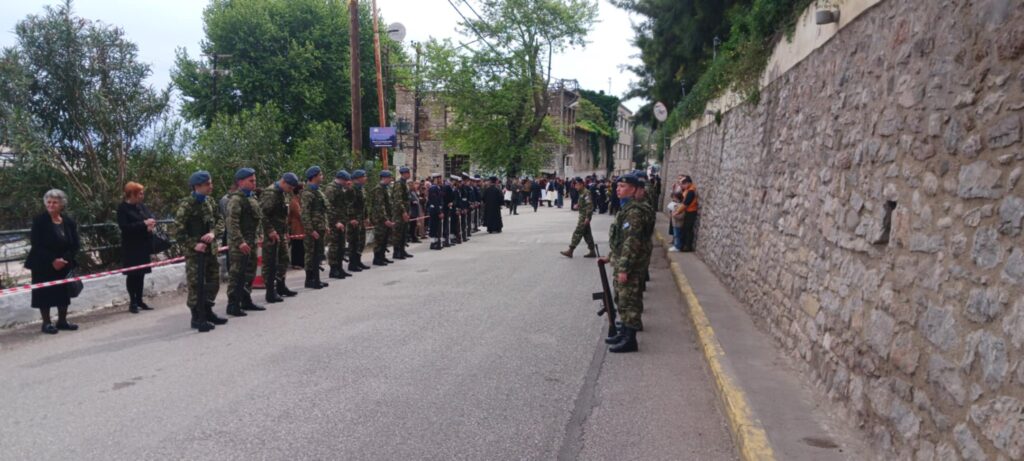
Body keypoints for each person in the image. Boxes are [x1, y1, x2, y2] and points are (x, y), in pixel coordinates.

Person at [174, 171, 228, 332]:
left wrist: (213, 233)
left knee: (213, 282)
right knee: (196, 285)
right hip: (195, 254)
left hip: (211, 250)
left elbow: (220, 220)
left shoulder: (210, 201)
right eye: (207, 184)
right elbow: (178, 231)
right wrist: (194, 244)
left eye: (211, 183)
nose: (211, 186)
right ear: (197, 186)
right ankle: (197, 317)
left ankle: (208, 311)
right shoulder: (187, 205)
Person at [600, 173, 648, 353]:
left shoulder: (634, 213)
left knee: (629, 302)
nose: (618, 189)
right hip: (622, 261)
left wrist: (624, 269)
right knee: (621, 300)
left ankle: (630, 340)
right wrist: (610, 256)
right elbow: (621, 240)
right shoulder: (625, 209)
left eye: (623, 186)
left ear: (634, 189)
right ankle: (624, 333)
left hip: (630, 266)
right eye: (618, 186)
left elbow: (631, 242)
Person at [25, 189, 82, 334]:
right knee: (44, 293)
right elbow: (36, 244)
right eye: (48, 202)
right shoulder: (39, 221)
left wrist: (64, 259)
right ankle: (46, 323)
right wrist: (53, 260)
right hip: (43, 263)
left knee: (63, 292)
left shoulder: (68, 222)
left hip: (64, 263)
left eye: (54, 202)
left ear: (61, 204)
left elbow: (75, 244)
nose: (51, 205)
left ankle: (62, 321)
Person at [225, 168, 265, 316]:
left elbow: (257, 220)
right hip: (240, 244)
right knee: (237, 274)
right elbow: (232, 223)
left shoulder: (252, 198)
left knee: (249, 272)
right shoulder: (236, 200)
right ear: (240, 182)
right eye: (251, 181)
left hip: (251, 241)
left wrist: (259, 234)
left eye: (255, 180)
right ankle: (233, 304)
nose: (254, 183)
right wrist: (240, 242)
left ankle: (246, 299)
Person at [117, 181, 156, 314]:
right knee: (132, 274)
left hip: (143, 245)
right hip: (131, 247)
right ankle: (132, 301)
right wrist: (143, 224)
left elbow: (150, 216)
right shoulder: (123, 208)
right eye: (140, 193)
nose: (142, 196)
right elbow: (124, 227)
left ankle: (140, 300)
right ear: (132, 194)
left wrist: (151, 223)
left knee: (141, 274)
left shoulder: (141, 206)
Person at [260, 172, 300, 303]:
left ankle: (281, 286)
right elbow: (263, 215)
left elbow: (283, 215)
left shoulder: (282, 192)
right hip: (271, 234)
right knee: (270, 262)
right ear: (283, 182)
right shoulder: (270, 193)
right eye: (289, 187)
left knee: (284, 259)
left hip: (281, 232)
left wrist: (286, 231)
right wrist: (270, 231)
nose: (290, 190)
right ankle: (270, 291)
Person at [301, 166, 329, 289]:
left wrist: (325, 225)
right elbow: (305, 214)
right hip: (312, 230)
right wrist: (310, 230)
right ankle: (310, 279)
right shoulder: (307, 193)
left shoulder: (318, 191)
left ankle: (316, 278)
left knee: (317, 254)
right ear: (314, 177)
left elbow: (323, 211)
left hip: (320, 228)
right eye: (320, 175)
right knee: (310, 254)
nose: (322, 177)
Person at [324, 169, 353, 279]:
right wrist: (335, 222)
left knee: (341, 246)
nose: (347, 183)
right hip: (334, 223)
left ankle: (340, 268)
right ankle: (333, 269)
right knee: (334, 246)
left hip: (342, 221)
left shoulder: (341, 188)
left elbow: (349, 201)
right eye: (346, 181)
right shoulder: (331, 189)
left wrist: (349, 189)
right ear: (341, 179)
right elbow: (328, 207)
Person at [560, 178, 596, 258]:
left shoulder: (586, 193)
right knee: (587, 234)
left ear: (581, 184)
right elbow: (584, 203)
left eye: (577, 185)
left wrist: (587, 217)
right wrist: (578, 205)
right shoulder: (581, 193)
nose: (575, 187)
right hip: (583, 215)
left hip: (584, 216)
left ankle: (571, 250)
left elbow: (589, 205)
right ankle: (592, 251)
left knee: (578, 232)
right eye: (575, 185)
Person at [370, 170, 396, 266]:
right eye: (389, 178)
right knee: (379, 239)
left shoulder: (385, 188)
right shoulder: (379, 189)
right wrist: (385, 219)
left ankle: (382, 256)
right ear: (383, 178)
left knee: (384, 238)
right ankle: (377, 258)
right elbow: (380, 206)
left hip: (385, 217)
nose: (390, 179)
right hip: (380, 219)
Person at [348, 170, 371, 272]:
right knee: (354, 241)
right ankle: (352, 263)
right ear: (358, 178)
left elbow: (364, 205)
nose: (366, 178)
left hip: (361, 219)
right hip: (354, 220)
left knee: (361, 241)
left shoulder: (362, 189)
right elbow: (349, 205)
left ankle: (358, 261)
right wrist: (351, 218)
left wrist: (366, 217)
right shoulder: (351, 189)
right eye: (364, 176)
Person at [390, 167, 412, 260]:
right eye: (408, 172)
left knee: (404, 232)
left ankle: (402, 250)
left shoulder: (404, 183)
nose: (409, 174)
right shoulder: (399, 184)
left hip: (405, 211)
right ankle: (397, 252)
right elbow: (398, 200)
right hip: (399, 212)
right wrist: (403, 212)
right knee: (398, 232)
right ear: (403, 173)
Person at [679, 176, 699, 252]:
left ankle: (687, 246)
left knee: (688, 229)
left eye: (684, 184)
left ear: (688, 183)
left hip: (691, 211)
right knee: (686, 229)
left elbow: (686, 203)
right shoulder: (690, 189)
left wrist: (678, 211)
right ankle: (685, 245)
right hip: (689, 211)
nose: (683, 186)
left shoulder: (691, 191)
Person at [288, 184, 305, 269]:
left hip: (300, 227)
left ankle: (300, 262)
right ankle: (296, 263)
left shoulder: (298, 201)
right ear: (299, 191)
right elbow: (299, 214)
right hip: (297, 228)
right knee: (297, 246)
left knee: (300, 246)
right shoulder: (294, 202)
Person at [427, 174, 445, 249]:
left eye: (440, 178)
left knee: (437, 227)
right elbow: (435, 201)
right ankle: (433, 243)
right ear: (435, 179)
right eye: (439, 179)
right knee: (433, 227)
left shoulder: (438, 187)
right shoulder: (433, 188)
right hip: (434, 210)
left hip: (437, 209)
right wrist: (439, 212)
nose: (440, 180)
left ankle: (437, 242)